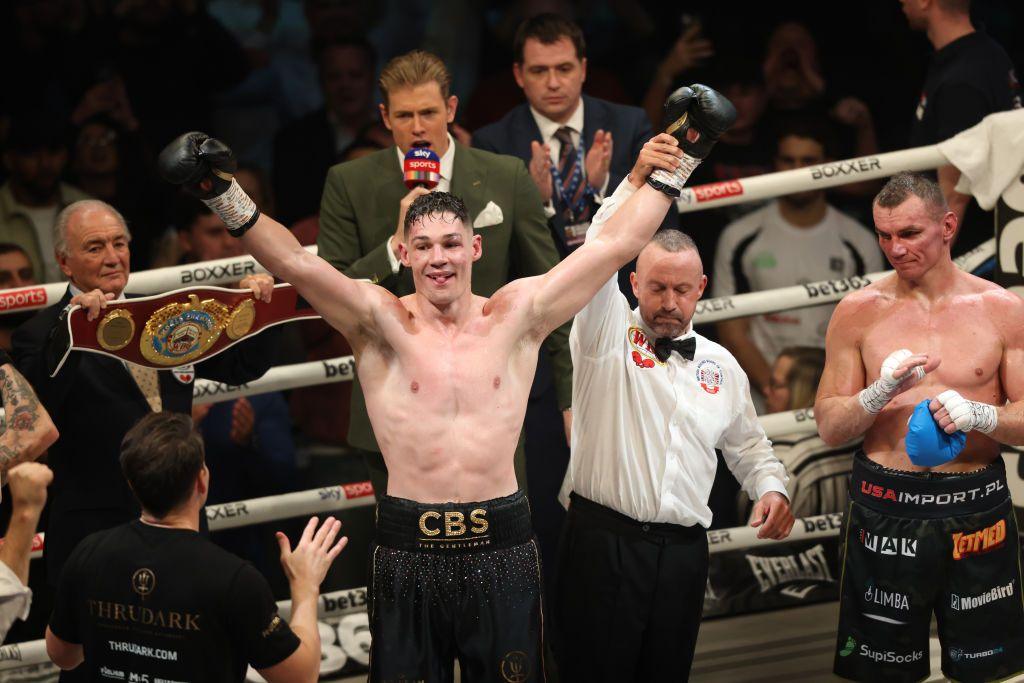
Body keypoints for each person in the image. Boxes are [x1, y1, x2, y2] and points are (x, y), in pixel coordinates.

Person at [158, 82, 734, 682]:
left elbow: (615, 244)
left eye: (452, 244)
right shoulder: (377, 321)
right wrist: (220, 192)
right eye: (425, 245)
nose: (440, 258)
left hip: (504, 546)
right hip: (408, 546)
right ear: (403, 252)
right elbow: (295, 263)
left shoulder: (518, 315)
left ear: (475, 248)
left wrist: (690, 155)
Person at [315, 49, 573, 501]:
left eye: (429, 113)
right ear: (385, 117)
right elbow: (330, 298)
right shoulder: (348, 183)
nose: (418, 127)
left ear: (451, 110)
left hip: (493, 406)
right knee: (406, 560)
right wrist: (395, 245)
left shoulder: (504, 176)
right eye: (405, 115)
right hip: (393, 414)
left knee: (501, 549)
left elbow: (552, 293)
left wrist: (571, 400)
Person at [554, 204, 793, 682]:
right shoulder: (605, 336)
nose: (668, 302)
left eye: (681, 290)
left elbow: (749, 447)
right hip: (605, 544)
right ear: (634, 283)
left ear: (701, 288)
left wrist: (772, 488)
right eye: (657, 287)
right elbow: (598, 250)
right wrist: (645, 182)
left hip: (684, 554)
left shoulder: (722, 365)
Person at [11, 199, 280, 596]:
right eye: (95, 247)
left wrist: (256, 312)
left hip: (181, 521)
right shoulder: (38, 333)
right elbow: (40, 411)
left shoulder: (162, 313)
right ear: (64, 263)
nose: (112, 257)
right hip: (95, 533)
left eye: (119, 244)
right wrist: (74, 330)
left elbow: (239, 367)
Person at [815, 172, 1024, 682]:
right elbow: (830, 426)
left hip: (976, 510)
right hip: (886, 510)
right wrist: (877, 394)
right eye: (884, 235)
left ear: (948, 225)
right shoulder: (858, 312)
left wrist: (983, 415)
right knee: (879, 675)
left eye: (909, 234)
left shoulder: (1000, 309)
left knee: (992, 674)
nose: (894, 248)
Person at [44, 411, 346, 681]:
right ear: (202, 481)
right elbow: (301, 676)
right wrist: (305, 587)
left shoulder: (88, 554)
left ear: (132, 483)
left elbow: (63, 656)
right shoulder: (233, 579)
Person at [474, 13, 678, 256]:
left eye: (564, 68)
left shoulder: (630, 124)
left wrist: (603, 184)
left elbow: (661, 219)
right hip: (542, 284)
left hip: (622, 282)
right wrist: (535, 201)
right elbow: (492, 242)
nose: (553, 83)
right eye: (539, 71)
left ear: (582, 69)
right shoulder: (492, 143)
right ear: (519, 75)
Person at [714, 117, 882, 404]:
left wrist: (824, 392)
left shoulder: (859, 241)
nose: (797, 171)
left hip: (836, 397)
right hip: (760, 401)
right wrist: (778, 392)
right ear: (775, 164)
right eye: (788, 160)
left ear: (828, 165)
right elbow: (732, 330)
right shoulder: (739, 236)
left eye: (808, 161)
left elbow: (871, 330)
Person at [902, 0, 1021, 255]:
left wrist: (926, 266)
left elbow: (955, 190)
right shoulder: (986, 52)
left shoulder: (963, 77)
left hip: (965, 254)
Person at [273, 37, 380, 225]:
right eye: (334, 76)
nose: (345, 85)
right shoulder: (294, 140)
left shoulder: (398, 130)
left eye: (355, 75)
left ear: (373, 77)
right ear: (321, 80)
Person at [744, 346, 857, 519]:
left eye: (775, 384)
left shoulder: (784, 457)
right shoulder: (858, 438)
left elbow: (759, 536)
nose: (767, 391)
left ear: (801, 390)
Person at [0, 114, 90, 284]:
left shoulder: (87, 207)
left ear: (65, 156)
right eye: (32, 154)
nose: (45, 164)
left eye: (53, 151)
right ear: (9, 159)